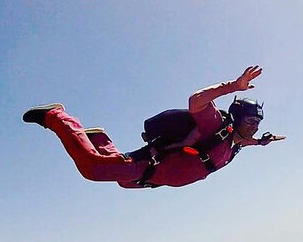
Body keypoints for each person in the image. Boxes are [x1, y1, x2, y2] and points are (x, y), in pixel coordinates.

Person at [22, 65, 285, 188]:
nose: (254, 126)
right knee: (93, 169)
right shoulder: (217, 126)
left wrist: (262, 141)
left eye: (258, 122)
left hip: (156, 178)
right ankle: (57, 117)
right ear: (237, 117)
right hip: (152, 164)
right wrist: (231, 87)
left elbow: (244, 143)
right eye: (251, 121)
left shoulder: (235, 143)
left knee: (123, 184)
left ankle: (99, 138)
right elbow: (195, 102)